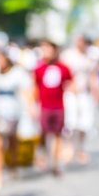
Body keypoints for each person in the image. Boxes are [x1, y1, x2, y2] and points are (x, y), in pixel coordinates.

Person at [0, 49, 34, 193]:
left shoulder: (17, 73)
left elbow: (27, 90)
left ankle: (12, 166)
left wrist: (30, 107)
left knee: (12, 141)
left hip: (13, 113)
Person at [33, 40, 73, 178]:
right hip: (44, 106)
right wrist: (33, 105)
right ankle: (42, 155)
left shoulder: (63, 68)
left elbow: (70, 83)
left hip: (58, 106)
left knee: (57, 135)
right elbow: (34, 87)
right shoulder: (38, 68)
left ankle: (55, 163)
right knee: (43, 133)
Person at [61, 36, 99, 164]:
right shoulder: (67, 55)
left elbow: (93, 76)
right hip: (70, 94)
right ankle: (68, 147)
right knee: (70, 123)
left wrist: (97, 92)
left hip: (84, 93)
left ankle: (81, 149)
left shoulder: (90, 57)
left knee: (85, 123)